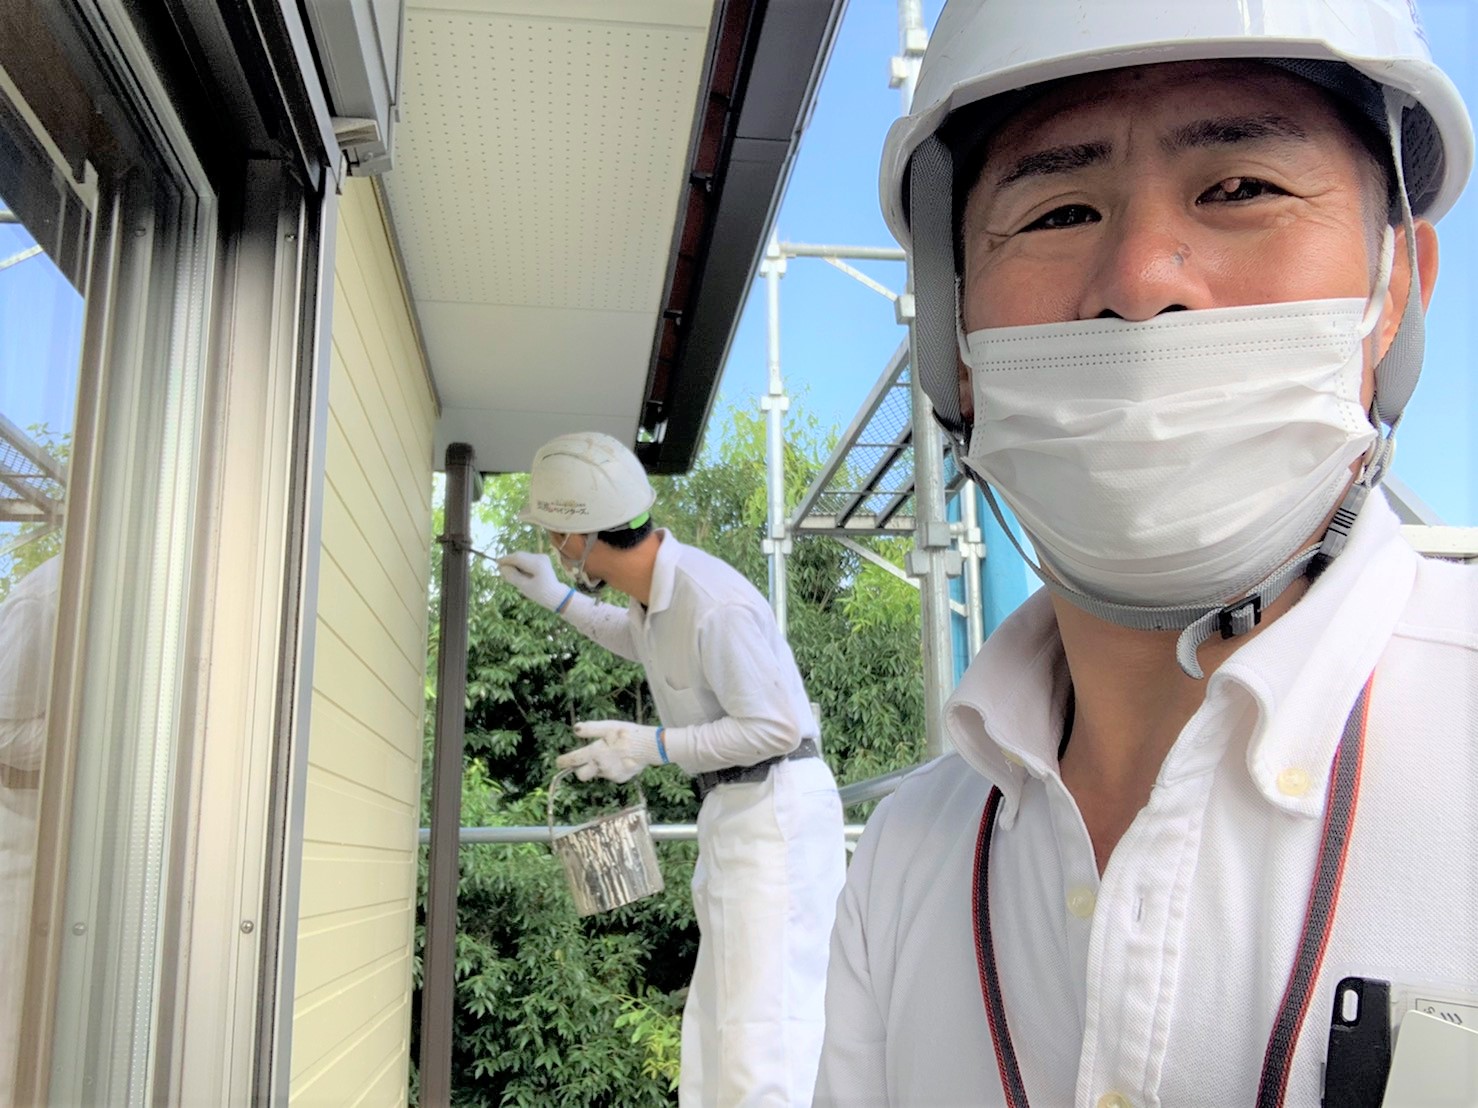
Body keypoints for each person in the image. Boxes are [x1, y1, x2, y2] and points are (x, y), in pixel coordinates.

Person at [815, 1, 1476, 1105]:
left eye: (1241, 188)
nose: (1138, 279)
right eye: (1058, 210)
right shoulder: (907, 855)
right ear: (952, 340)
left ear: (1394, 287)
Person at [498, 431, 847, 1107]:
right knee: (718, 1030)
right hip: (738, 810)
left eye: (552, 534)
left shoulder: (711, 602)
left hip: (775, 809)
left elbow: (774, 727)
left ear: (575, 537)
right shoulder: (656, 600)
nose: (553, 546)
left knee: (764, 1035)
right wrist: (558, 598)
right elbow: (633, 637)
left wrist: (652, 746)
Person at [0, 554, 61, 1105]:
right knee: (14, 1013)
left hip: (66, 841)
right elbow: (2, 732)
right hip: (21, 840)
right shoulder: (43, 599)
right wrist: (98, 726)